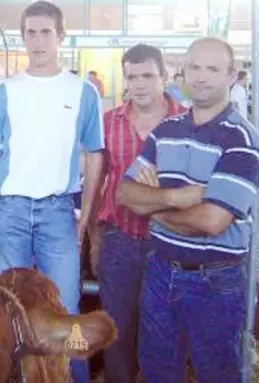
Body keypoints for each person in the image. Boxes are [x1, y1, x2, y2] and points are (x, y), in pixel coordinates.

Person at [119, 37, 259, 383]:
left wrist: (153, 204)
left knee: (216, 372)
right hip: (160, 268)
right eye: (194, 67)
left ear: (232, 75)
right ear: (183, 71)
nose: (201, 77)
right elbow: (125, 193)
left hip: (215, 278)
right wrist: (179, 198)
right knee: (157, 369)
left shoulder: (242, 139)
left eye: (212, 69)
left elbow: (212, 221)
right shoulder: (166, 130)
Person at [0, 0, 104, 383]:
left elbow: (95, 156)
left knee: (65, 305)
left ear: (61, 36)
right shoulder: (5, 91)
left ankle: (73, 377)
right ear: (23, 37)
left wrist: (88, 218)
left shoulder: (82, 92)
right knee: (9, 306)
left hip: (57, 210)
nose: (37, 40)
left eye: (46, 32)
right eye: (30, 32)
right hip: (9, 209)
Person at [93, 44, 185, 382]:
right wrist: (93, 236)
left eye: (148, 75)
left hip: (170, 242)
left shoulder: (187, 123)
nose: (140, 84)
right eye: (133, 77)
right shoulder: (108, 122)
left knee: (164, 329)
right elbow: (97, 181)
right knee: (116, 329)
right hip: (118, 238)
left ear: (165, 76)